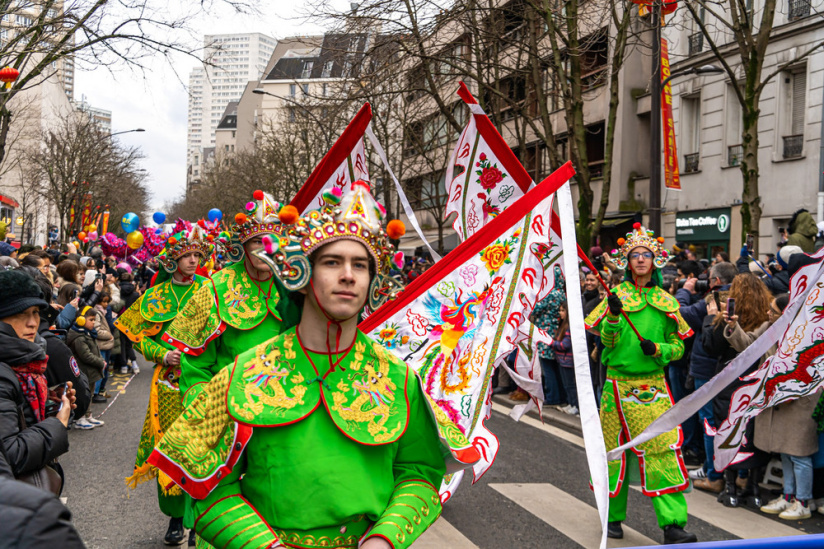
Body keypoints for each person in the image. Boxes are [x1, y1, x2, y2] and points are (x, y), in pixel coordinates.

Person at [149, 181, 477, 549]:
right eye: (332, 262)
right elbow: (206, 489)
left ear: (373, 281)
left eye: (360, 265)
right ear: (301, 276)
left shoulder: (398, 379)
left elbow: (420, 472)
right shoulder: (241, 375)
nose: (348, 275)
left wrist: (384, 541)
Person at [585, 223, 696, 544]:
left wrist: (658, 349)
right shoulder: (616, 296)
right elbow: (606, 341)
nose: (641, 260)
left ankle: (673, 524)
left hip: (654, 388)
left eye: (647, 255)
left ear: (655, 260)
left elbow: (678, 348)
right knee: (613, 454)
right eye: (635, 256)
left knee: (662, 450)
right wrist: (614, 318)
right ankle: (612, 517)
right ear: (628, 262)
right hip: (616, 387)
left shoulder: (666, 301)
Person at [115, 225, 214, 545]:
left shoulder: (210, 289)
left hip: (208, 381)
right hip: (170, 385)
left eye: (198, 255)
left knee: (205, 448)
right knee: (172, 448)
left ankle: (202, 520)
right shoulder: (156, 296)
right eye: (187, 255)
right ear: (173, 260)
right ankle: (174, 518)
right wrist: (162, 353)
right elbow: (138, 336)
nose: (193, 260)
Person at [162, 191, 297, 410]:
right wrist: (208, 411)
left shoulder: (298, 285)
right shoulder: (217, 287)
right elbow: (195, 367)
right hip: (231, 408)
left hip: (290, 406)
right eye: (256, 241)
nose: (265, 248)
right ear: (243, 246)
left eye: (273, 240)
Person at [0, 270, 76, 480]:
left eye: (35, 312)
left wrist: (51, 406)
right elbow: (11, 455)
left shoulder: (26, 362)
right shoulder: (4, 375)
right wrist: (57, 424)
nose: (33, 322)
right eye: (20, 313)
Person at [678, 261, 736, 487]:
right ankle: (733, 474)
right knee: (726, 421)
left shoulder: (716, 298)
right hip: (728, 367)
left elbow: (683, 314)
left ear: (717, 281)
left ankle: (714, 475)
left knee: (710, 422)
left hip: (707, 368)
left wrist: (685, 291)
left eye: (710, 279)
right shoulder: (742, 296)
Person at [66, 306, 106, 430]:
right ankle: (80, 418)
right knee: (83, 395)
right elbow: (86, 356)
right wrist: (100, 362)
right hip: (84, 371)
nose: (93, 322)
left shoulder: (87, 334)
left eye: (94, 320)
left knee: (89, 394)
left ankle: (88, 415)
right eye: (91, 319)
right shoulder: (79, 337)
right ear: (81, 320)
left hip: (90, 371)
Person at [550, 302, 577, 415]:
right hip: (562, 360)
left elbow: (565, 345)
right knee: (566, 384)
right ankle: (570, 403)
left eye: (562, 310)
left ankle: (575, 405)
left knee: (570, 384)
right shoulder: (563, 326)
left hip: (568, 361)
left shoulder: (569, 328)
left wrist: (552, 343)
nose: (560, 313)